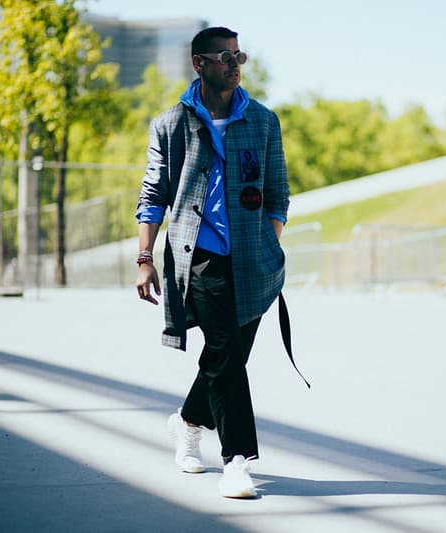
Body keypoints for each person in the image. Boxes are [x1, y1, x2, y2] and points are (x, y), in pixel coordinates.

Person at [134, 26, 289, 499]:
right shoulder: (171, 124)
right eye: (223, 56)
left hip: (255, 262)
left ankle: (186, 423)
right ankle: (237, 461)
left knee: (227, 358)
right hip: (199, 258)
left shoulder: (263, 121)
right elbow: (152, 196)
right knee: (225, 352)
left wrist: (268, 244)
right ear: (199, 64)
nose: (234, 63)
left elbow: (278, 194)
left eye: (238, 54)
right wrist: (144, 257)